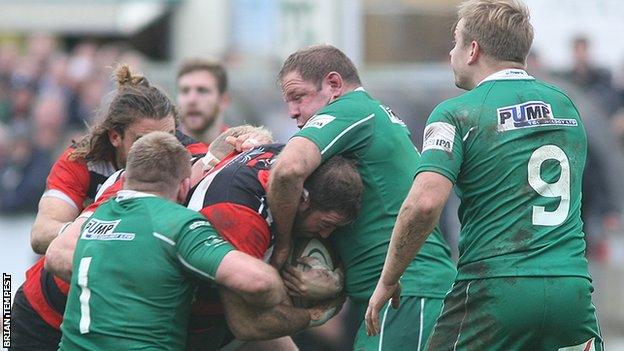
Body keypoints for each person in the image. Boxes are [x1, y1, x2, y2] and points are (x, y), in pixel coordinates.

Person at [365, 1, 603, 350]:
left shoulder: (456, 112)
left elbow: (424, 203)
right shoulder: (567, 104)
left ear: (472, 49)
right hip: (572, 288)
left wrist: (389, 278)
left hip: (497, 289)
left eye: (455, 42)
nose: (451, 53)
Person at [46, 128, 361, 350]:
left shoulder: (101, 210)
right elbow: (257, 283)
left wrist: (125, 268)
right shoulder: (180, 227)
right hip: (59, 320)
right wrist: (323, 296)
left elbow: (55, 254)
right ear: (184, 186)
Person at [266, 44, 456, 350]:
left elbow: (287, 170)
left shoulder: (351, 109)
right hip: (399, 295)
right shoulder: (370, 115)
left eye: (298, 96)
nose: (292, 111)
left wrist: (284, 245)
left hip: (408, 293)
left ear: (334, 85)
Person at [11, 64, 207, 351]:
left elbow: (227, 156)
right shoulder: (81, 160)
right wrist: (104, 231)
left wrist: (247, 138)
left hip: (114, 320)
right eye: (143, 141)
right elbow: (41, 235)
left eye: (169, 137)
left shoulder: (188, 155)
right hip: (40, 312)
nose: (159, 150)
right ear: (116, 137)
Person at [177, 59, 230, 144]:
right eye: (185, 91)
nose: (191, 100)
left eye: (202, 91)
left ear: (223, 100)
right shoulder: (163, 149)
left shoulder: (242, 149)